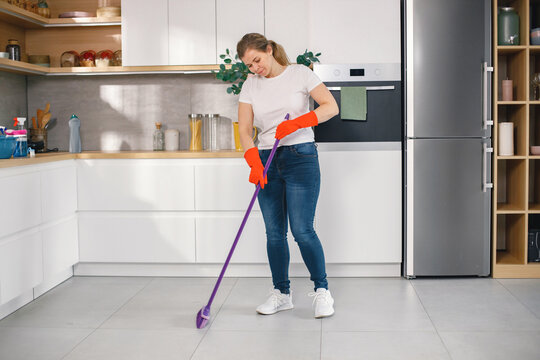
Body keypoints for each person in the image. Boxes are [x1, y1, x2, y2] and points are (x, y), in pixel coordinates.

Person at [236, 33, 339, 318]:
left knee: (302, 230)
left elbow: (330, 107)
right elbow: (245, 130)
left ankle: (322, 292)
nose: (255, 67)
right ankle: (281, 294)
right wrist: (253, 161)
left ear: (269, 50)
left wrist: (298, 124)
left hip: (300, 157)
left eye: (257, 59)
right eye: (249, 64)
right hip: (267, 159)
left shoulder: (299, 74)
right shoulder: (250, 85)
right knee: (274, 233)